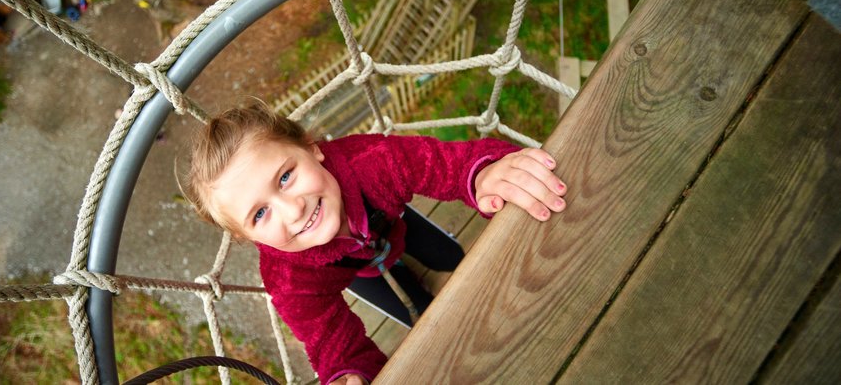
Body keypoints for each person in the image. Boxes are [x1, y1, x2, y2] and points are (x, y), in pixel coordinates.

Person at [183, 102, 567, 384]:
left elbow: (442, 163)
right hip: (354, 270)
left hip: (391, 223)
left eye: (285, 177)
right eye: (260, 214)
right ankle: (419, 296)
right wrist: (347, 374)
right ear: (246, 237)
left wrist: (482, 173)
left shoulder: (370, 163)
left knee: (450, 255)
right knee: (416, 307)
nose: (293, 209)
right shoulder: (288, 277)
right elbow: (330, 341)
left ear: (312, 148)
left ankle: (438, 263)